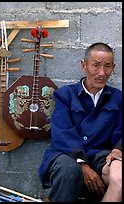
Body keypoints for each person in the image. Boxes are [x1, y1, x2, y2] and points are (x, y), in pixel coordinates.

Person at [38, 42, 122, 202]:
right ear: (84, 65)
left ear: (113, 67)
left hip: (100, 155)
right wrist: (83, 165)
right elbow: (62, 133)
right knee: (69, 170)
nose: (102, 73)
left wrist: (118, 149)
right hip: (66, 153)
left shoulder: (118, 98)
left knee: (119, 172)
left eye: (107, 67)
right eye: (96, 66)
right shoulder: (65, 95)